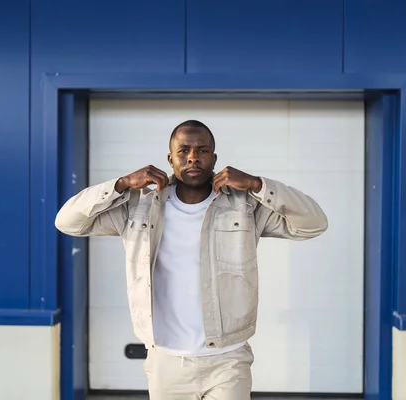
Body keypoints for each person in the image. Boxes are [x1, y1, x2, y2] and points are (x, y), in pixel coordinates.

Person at [55, 120, 328, 399]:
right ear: (170, 159)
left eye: (202, 150)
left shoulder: (245, 206)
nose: (193, 157)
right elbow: (68, 222)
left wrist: (258, 184)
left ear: (215, 158)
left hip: (227, 359)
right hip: (166, 361)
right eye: (183, 151)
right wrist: (121, 184)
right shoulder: (139, 207)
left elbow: (314, 223)